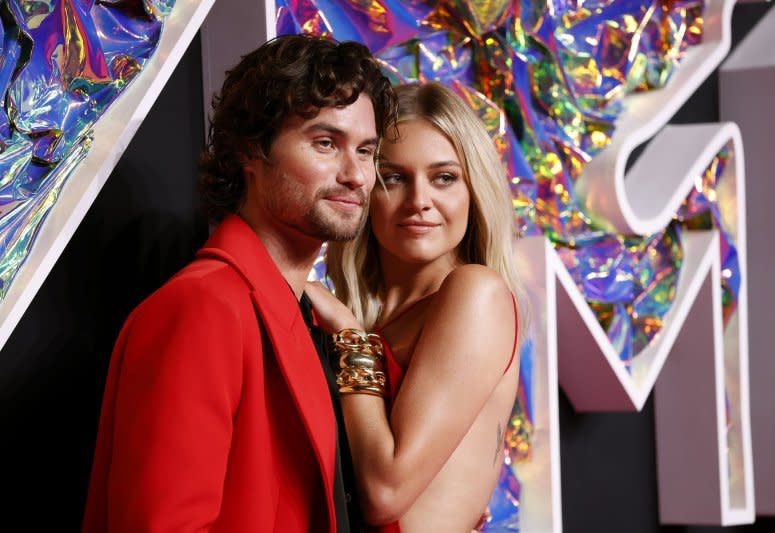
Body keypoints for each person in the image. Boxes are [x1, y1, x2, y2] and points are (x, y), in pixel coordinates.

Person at [82, 35, 396, 532]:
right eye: (325, 143)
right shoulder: (204, 306)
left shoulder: (310, 319)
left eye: (366, 150)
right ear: (252, 149)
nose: (356, 175)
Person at [306, 82, 525, 532]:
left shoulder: (475, 293)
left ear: (473, 190)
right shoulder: (369, 317)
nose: (419, 201)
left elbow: (386, 493)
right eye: (394, 177)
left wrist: (350, 339)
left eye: (444, 177)